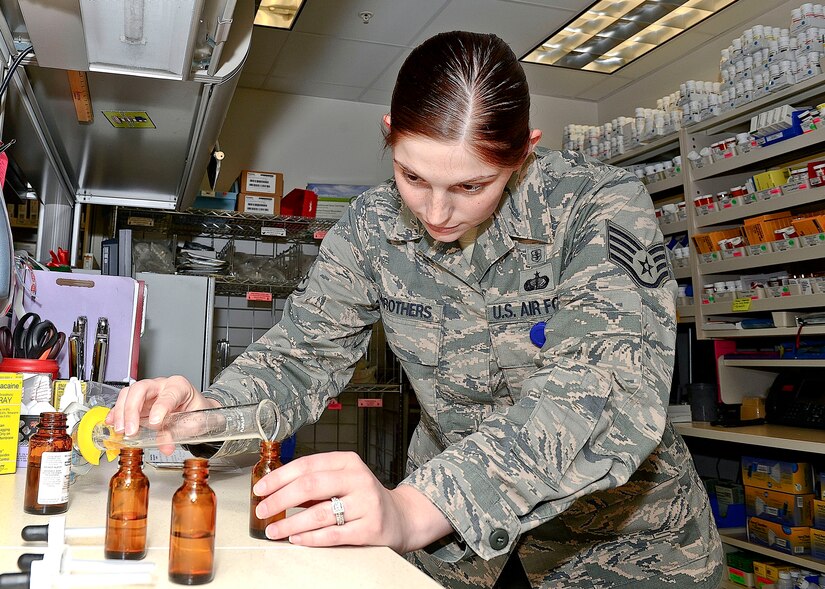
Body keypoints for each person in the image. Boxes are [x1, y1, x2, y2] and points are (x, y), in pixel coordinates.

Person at [107, 31, 723, 588]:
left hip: (616, 547)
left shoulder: (599, 207)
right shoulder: (372, 228)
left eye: (470, 187)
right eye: (411, 176)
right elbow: (301, 356)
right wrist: (212, 415)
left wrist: (412, 509)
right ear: (388, 136)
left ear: (523, 153)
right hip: (458, 558)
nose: (435, 213)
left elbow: (602, 390)